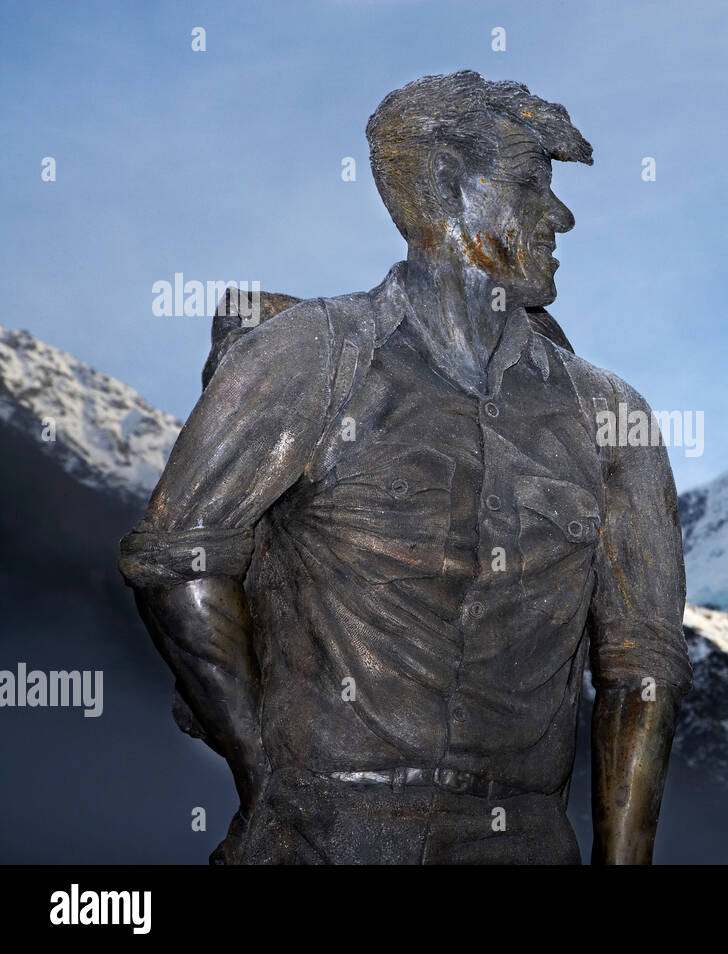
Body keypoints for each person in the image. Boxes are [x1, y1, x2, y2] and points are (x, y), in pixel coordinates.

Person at [117, 70, 691, 864]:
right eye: (531, 185)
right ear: (451, 186)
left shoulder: (610, 419)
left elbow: (643, 668)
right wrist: (267, 781)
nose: (560, 215)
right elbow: (177, 557)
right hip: (322, 835)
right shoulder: (310, 357)